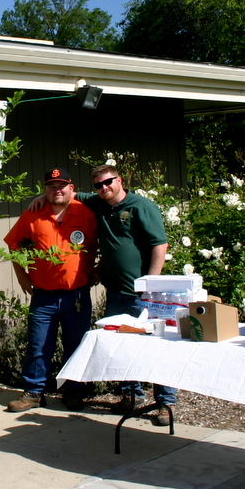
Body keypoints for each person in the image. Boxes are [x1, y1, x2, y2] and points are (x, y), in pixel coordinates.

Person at [78, 164, 172, 425]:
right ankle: (132, 395)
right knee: (123, 347)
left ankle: (165, 402)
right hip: (116, 292)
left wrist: (150, 283)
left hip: (142, 295)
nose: (104, 188)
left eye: (108, 182)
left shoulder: (141, 206)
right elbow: (69, 194)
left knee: (155, 348)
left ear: (119, 180)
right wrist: (42, 197)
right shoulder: (99, 204)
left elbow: (159, 244)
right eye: (98, 185)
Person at [4, 168, 97, 413]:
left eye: (61, 185)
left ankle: (73, 392)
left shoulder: (86, 213)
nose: (57, 190)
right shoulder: (33, 214)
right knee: (38, 345)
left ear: (71, 187)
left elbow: (108, 243)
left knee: (75, 345)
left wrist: (100, 270)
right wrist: (21, 275)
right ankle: (34, 393)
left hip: (76, 295)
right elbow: (15, 245)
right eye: (51, 186)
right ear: (45, 190)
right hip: (43, 295)